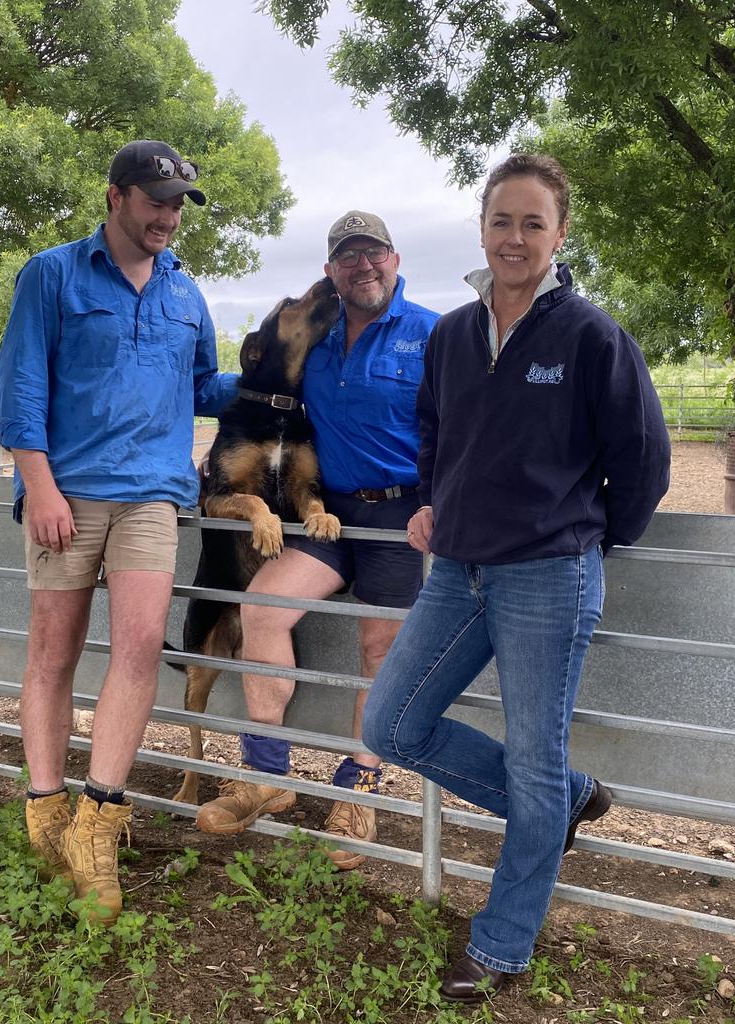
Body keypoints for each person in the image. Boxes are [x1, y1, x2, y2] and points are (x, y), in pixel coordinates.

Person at [361, 154, 671, 997]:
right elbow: (432, 431)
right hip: (457, 568)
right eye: (503, 220)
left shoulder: (591, 336)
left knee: (532, 760)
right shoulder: (456, 333)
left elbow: (642, 457)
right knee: (390, 724)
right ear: (482, 226)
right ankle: (564, 801)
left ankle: (501, 944)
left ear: (560, 235)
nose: (516, 237)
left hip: (547, 573)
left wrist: (591, 537)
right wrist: (434, 500)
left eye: (535, 223)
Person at [0, 140, 237, 924]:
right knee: (52, 652)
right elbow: (21, 389)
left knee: (137, 649)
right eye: (156, 200)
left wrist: (272, 372)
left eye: (177, 205)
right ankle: (45, 808)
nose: (168, 217)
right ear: (116, 197)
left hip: (153, 499)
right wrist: (40, 486)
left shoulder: (185, 291)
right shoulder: (53, 274)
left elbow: (203, 384)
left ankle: (98, 820)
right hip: (65, 494)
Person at [195, 211, 440, 868]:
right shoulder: (320, 341)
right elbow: (254, 386)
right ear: (333, 269)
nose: (363, 266)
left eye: (374, 253)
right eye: (348, 257)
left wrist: (443, 499)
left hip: (401, 515)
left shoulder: (433, 334)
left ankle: (358, 788)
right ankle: (265, 777)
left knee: (378, 644)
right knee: (263, 608)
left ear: (394, 257)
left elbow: (471, 423)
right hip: (326, 513)